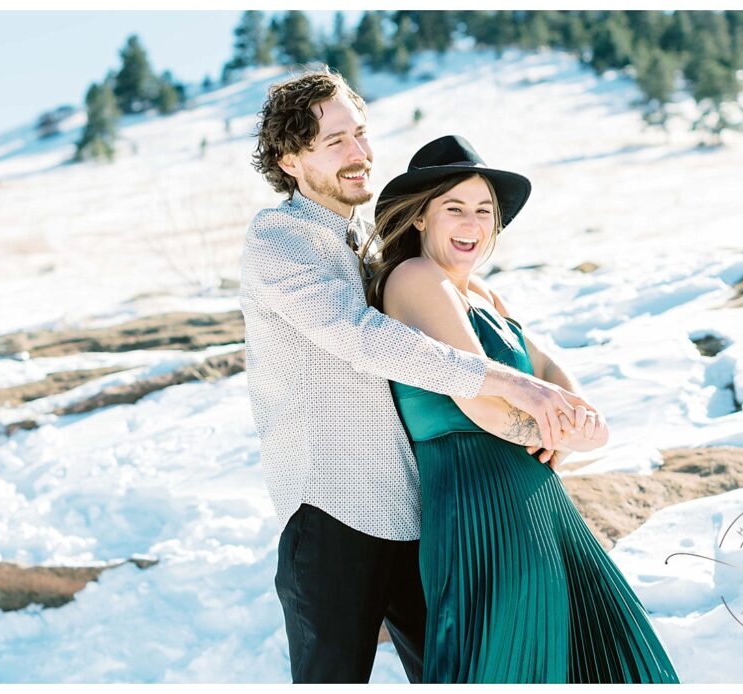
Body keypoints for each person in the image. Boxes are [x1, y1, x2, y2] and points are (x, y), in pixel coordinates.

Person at [240, 69, 591, 684]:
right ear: (290, 160)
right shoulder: (277, 240)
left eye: (361, 134)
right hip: (331, 513)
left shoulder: (371, 251)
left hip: (414, 510)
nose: (360, 154)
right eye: (335, 142)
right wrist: (509, 386)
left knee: (460, 675)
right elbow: (359, 335)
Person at [364, 134, 682, 684]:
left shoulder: (486, 295)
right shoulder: (416, 278)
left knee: (592, 652)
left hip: (535, 497)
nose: (473, 223)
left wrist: (574, 424)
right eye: (454, 208)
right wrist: (567, 430)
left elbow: (555, 376)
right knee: (508, 657)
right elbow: (480, 403)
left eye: (484, 210)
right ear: (420, 217)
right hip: (478, 499)